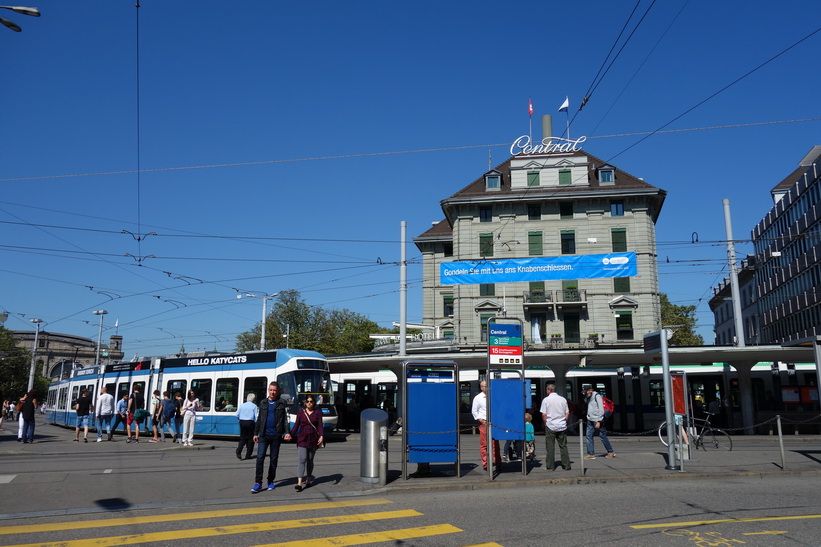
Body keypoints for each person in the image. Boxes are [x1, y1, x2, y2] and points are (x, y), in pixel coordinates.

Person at [251, 382, 291, 493]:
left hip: (276, 436)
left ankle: (270, 481)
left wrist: (287, 432)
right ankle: (258, 483)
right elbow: (259, 419)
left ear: (277, 391)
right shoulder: (263, 402)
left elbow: (285, 419)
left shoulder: (282, 403)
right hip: (263, 435)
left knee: (273, 460)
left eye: (274, 390)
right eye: (271, 390)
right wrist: (255, 433)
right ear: (268, 390)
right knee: (260, 458)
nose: (272, 392)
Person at [289, 396, 324, 492]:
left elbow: (320, 426)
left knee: (310, 460)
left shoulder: (317, 413)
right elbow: (296, 425)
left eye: (311, 401)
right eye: (307, 401)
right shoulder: (301, 413)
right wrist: (290, 434)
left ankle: (308, 478)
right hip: (302, 439)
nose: (309, 403)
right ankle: (299, 482)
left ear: (314, 403)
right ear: (305, 403)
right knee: (302, 459)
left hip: (313, 439)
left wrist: (321, 436)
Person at [540, 384, 571, 471]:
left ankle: (550, 466)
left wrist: (545, 423)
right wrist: (564, 422)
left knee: (550, 446)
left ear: (548, 390)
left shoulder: (546, 400)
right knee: (563, 446)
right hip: (562, 425)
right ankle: (566, 465)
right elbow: (567, 413)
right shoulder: (563, 399)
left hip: (550, 425)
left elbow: (544, 414)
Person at [471, 380, 500, 470]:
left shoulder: (493, 396)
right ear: (481, 387)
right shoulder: (478, 398)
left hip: (494, 423)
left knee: (495, 444)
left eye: (487, 386)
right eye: (484, 386)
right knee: (484, 444)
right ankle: (485, 464)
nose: (486, 388)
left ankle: (498, 463)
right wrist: (480, 420)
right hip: (484, 423)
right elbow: (474, 411)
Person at [584, 385, 615, 460]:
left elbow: (601, 410)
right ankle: (590, 453)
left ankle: (610, 451)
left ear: (590, 390)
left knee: (602, 436)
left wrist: (599, 421)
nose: (585, 394)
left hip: (598, 420)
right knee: (589, 436)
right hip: (590, 420)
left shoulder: (597, 396)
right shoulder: (589, 397)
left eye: (586, 392)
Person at [235, 393, 258, 460]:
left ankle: (239, 450)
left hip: (242, 422)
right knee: (250, 439)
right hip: (250, 422)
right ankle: (248, 455)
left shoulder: (242, 405)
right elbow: (256, 416)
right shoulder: (254, 406)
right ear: (253, 399)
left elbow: (236, 415)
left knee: (243, 438)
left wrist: (240, 419)